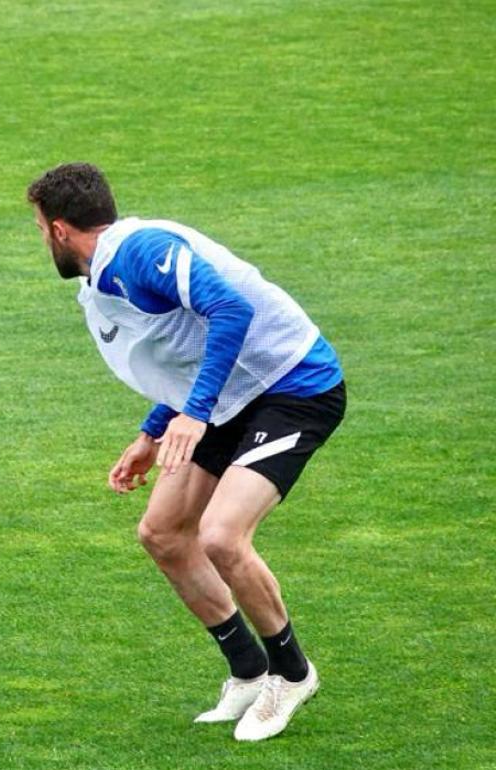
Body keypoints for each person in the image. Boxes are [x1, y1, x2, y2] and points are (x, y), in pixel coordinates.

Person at [26, 163, 344, 742]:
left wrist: (193, 415)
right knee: (164, 532)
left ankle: (292, 674)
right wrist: (153, 431)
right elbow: (183, 345)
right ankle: (248, 670)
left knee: (221, 535)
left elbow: (230, 310)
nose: (41, 238)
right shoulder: (102, 277)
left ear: (60, 229)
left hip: (293, 388)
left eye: (40, 227)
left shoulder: (140, 253)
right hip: (229, 396)